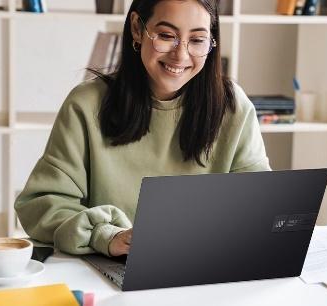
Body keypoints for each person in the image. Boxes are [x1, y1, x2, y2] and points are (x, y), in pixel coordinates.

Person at [15, 0, 271, 258]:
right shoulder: (87, 104)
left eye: (197, 40)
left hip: (205, 266)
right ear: (137, 28)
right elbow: (40, 205)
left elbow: (259, 206)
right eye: (166, 36)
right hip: (108, 266)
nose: (180, 55)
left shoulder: (233, 107)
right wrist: (105, 235)